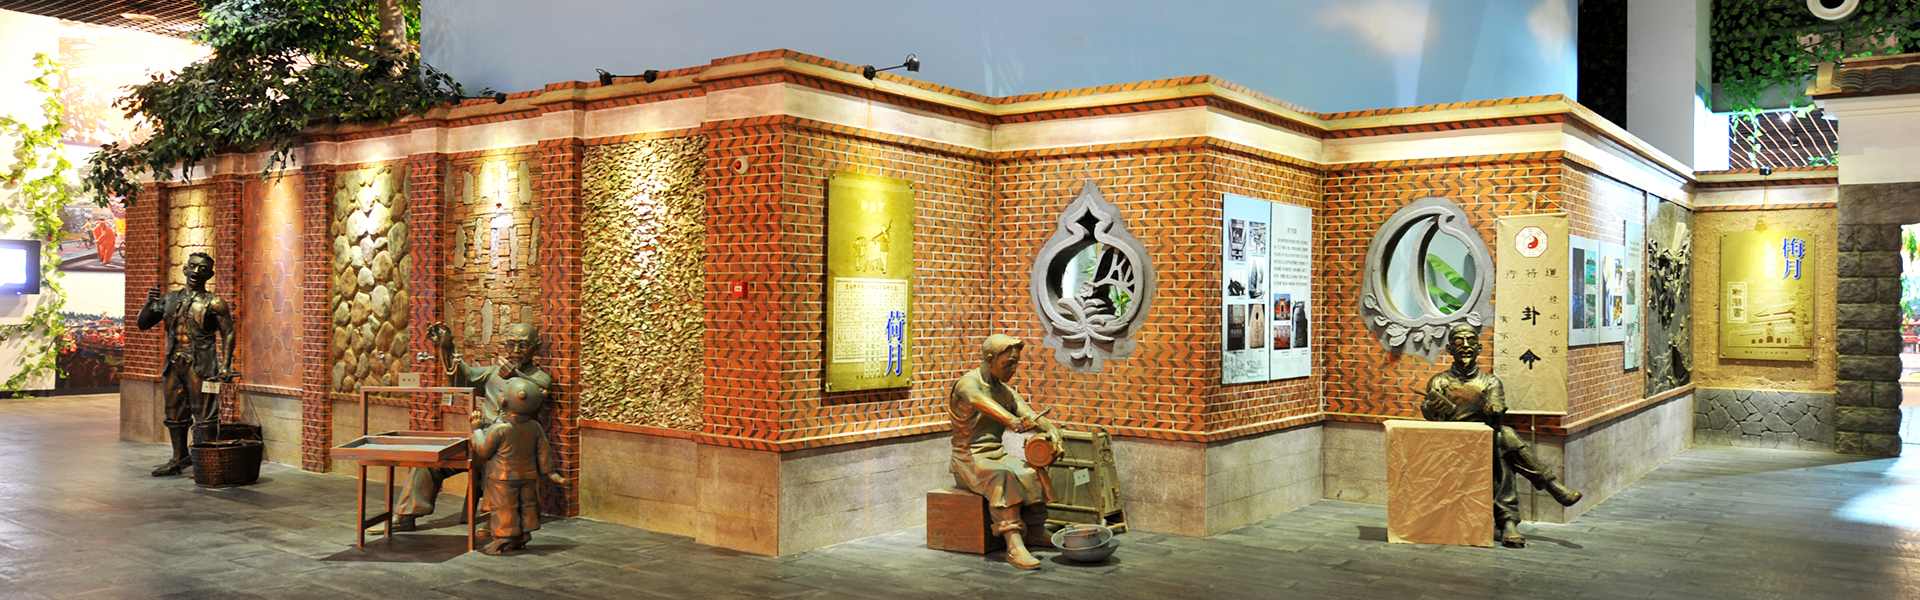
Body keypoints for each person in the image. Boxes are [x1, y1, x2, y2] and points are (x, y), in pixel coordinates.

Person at [370, 320, 554, 533]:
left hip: (509, 448)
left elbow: (537, 392)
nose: (515, 351)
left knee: (497, 462)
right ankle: (405, 516)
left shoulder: (540, 377)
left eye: (522, 345)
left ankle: (498, 521)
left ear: (535, 347)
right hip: (479, 438)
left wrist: (516, 376)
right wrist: (447, 347)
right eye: (511, 344)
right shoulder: (493, 373)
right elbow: (462, 378)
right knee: (429, 462)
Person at [1422, 323, 1582, 547]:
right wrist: (1431, 408)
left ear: (1478, 348)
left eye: (1471, 341)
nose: (1465, 345)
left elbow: (1496, 406)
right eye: (1459, 341)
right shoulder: (1439, 381)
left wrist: (1494, 410)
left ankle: (1508, 520)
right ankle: (1546, 490)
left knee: (1501, 441)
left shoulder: (1490, 382)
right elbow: (1429, 415)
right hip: (1452, 442)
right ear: (1449, 349)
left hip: (1483, 440)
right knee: (1504, 438)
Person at [949, 334, 1062, 570]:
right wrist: (1012, 420)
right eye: (1008, 364)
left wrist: (1052, 430)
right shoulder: (967, 384)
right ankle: (1013, 544)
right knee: (1004, 476)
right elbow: (978, 400)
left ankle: (1036, 530)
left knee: (1032, 470)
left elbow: (1030, 415)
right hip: (969, 458)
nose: (1013, 370)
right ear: (990, 359)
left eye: (1015, 364)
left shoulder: (1005, 392)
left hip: (996, 454)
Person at [136, 252, 239, 476]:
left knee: (204, 413)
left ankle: (208, 461)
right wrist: (149, 303)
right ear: (185, 269)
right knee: (174, 412)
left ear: (209, 275)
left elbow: (228, 333)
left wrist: (226, 365)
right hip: (174, 362)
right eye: (192, 266)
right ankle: (179, 457)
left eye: (202, 269)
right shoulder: (169, 299)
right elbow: (143, 323)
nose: (196, 272)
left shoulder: (214, 303)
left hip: (201, 364)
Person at [470, 377, 565, 555]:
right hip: (528, 476)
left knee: (504, 508)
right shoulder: (535, 427)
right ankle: (524, 533)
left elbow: (483, 451)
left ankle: (503, 538)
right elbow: (543, 451)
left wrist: (476, 429)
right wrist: (549, 471)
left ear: (503, 401)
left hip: (503, 478)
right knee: (526, 505)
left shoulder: (499, 428)